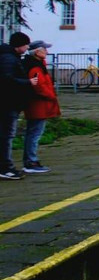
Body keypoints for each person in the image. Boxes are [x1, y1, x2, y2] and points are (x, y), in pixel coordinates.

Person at [1, 32, 38, 180]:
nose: (28, 47)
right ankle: (6, 167)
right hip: (7, 104)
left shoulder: (10, 57)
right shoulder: (8, 59)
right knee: (6, 136)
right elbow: (6, 80)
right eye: (26, 44)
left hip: (9, 103)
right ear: (19, 45)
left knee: (6, 135)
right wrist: (28, 82)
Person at [21, 40, 58, 174]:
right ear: (37, 52)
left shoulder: (35, 65)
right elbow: (40, 86)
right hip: (38, 104)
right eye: (45, 49)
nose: (47, 52)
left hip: (37, 104)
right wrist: (51, 96)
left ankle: (30, 160)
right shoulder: (35, 67)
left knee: (33, 132)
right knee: (34, 133)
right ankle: (31, 161)